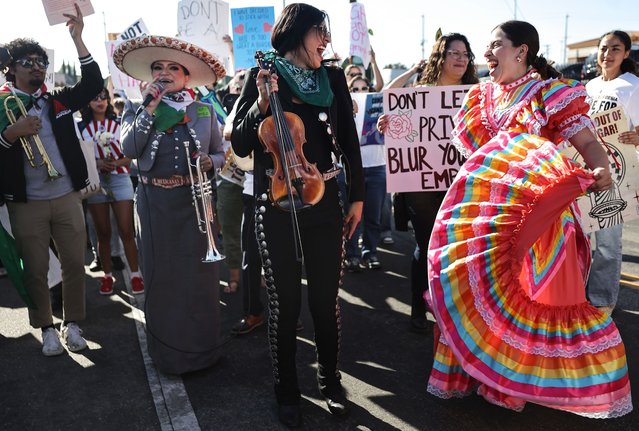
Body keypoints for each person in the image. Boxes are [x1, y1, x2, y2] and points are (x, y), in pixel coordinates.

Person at [425, 20, 632, 417]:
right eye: (486, 47)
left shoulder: (547, 93)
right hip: (487, 218)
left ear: (521, 51)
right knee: (478, 291)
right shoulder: (480, 96)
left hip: (541, 221)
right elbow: (476, 160)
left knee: (524, 295)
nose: (486, 54)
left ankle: (512, 382)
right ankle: (481, 372)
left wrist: (601, 171)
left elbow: (587, 140)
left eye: (495, 45)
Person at [232, 3, 364, 427]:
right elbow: (240, 142)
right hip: (276, 202)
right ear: (297, 33)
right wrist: (260, 101)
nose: (325, 41)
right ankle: (286, 390)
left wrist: (357, 196)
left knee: (326, 303)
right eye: (319, 33)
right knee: (284, 304)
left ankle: (330, 381)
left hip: (326, 201)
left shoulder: (333, 77)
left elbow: (349, 141)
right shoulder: (265, 75)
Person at [115, 35, 226, 374]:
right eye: (157, 68)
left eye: (172, 67)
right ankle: (170, 356)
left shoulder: (204, 109)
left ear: (186, 75)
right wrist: (149, 106)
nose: (164, 73)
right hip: (155, 204)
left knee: (200, 280)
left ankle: (204, 352)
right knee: (163, 279)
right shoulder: (137, 109)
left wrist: (212, 162)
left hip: (195, 204)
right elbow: (130, 149)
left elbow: (222, 152)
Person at [0, 5, 103, 356]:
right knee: (37, 270)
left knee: (75, 263)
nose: (36, 65)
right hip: (25, 202)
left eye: (40, 60)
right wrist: (9, 134)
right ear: (10, 69)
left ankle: (72, 324)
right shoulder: (2, 106)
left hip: (65, 195)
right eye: (26, 61)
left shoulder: (56, 102)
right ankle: (45, 327)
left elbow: (92, 84)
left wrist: (78, 39)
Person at [377, 33, 479, 332]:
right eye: (453, 53)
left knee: (459, 247)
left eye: (465, 53)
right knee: (426, 245)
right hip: (422, 184)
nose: (460, 58)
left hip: (461, 183)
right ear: (440, 57)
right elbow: (389, 96)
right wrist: (389, 122)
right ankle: (419, 308)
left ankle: (454, 309)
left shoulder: (475, 95)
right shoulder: (420, 92)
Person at [585, 30, 639, 317]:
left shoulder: (632, 85)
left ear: (626, 53)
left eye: (615, 49)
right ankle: (575, 294)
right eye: (603, 48)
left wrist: (638, 137)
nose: (607, 54)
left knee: (607, 242)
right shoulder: (589, 86)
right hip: (583, 172)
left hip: (616, 173)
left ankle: (602, 300)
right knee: (579, 239)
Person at [79, 88, 143, 295]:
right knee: (103, 233)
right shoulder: (81, 127)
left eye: (103, 98)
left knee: (126, 230)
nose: (100, 101)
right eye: (95, 98)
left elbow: (130, 154)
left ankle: (136, 275)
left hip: (120, 178)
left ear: (108, 101)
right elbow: (80, 157)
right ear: (88, 103)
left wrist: (113, 163)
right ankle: (107, 276)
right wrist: (97, 163)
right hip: (96, 182)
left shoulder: (118, 124)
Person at [343, 74, 385, 271]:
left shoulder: (380, 109)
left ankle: (371, 253)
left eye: (364, 88)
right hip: (352, 171)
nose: (360, 92)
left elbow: (393, 86)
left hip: (377, 169)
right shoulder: (343, 110)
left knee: (373, 217)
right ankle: (352, 255)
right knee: (352, 217)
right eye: (355, 89)